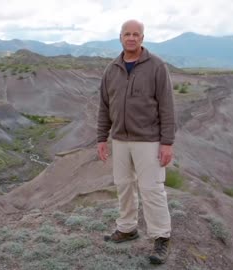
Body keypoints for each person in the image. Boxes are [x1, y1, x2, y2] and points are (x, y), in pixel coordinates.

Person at [96, 19, 175, 264]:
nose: (131, 38)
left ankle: (161, 237)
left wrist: (167, 142)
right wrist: (102, 138)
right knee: (123, 185)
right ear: (120, 37)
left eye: (136, 34)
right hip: (120, 140)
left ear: (142, 38)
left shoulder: (157, 66)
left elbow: (167, 106)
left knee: (152, 189)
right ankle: (128, 227)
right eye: (127, 34)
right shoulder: (112, 69)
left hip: (149, 140)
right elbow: (104, 107)